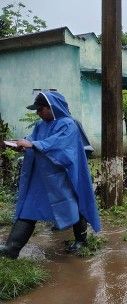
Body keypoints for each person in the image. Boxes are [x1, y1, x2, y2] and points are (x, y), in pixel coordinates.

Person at [0, 91, 101, 259]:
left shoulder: (69, 124)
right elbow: (31, 140)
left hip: (63, 176)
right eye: (37, 110)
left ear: (52, 107)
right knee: (28, 208)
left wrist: (34, 144)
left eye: (40, 109)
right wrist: (19, 144)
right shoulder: (40, 126)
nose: (38, 113)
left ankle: (81, 240)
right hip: (40, 177)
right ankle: (11, 249)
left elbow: (61, 146)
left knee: (73, 203)